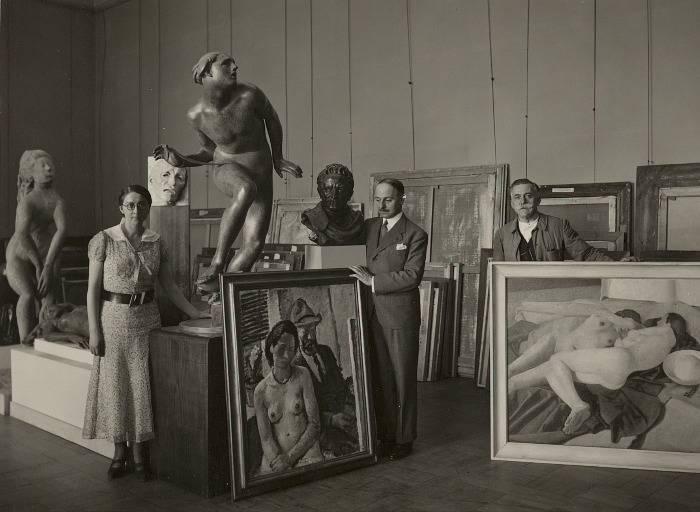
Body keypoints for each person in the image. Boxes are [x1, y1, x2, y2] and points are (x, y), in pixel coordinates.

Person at [83, 184, 208, 482]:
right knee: (116, 385)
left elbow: (170, 286)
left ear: (148, 208)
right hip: (112, 319)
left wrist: (195, 313)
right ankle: (119, 453)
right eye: (130, 205)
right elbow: (92, 290)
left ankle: (139, 454)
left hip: (146, 319)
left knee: (141, 384)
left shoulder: (157, 242)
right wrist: (94, 331)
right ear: (121, 208)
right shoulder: (104, 240)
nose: (135, 210)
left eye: (141, 205)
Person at [153, 52, 302, 292]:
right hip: (227, 169)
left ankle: (224, 291)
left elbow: (272, 120)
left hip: (261, 172)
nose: (235, 67)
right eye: (226, 64)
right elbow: (207, 152)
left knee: (254, 243)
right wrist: (181, 160)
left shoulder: (249, 94)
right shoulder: (196, 116)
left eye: (232, 63)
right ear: (207, 72)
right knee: (245, 188)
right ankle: (218, 262)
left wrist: (278, 157)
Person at [350, 178, 428, 461]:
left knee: (402, 379)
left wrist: (372, 281)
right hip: (372, 313)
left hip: (400, 316)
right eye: (378, 199)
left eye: (388, 199)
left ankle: (404, 439)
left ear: (402, 200)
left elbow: (412, 276)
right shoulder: (369, 226)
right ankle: (385, 436)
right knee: (381, 378)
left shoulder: (415, 234)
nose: (381, 205)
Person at [510, 317, 679, 435]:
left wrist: (631, 331)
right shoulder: (667, 343)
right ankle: (513, 382)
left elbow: (630, 335)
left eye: (661, 320)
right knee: (557, 369)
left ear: (668, 322)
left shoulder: (661, 330)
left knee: (556, 360)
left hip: (620, 358)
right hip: (618, 377)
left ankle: (577, 404)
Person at [5, 150, 67, 341]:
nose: (49, 168)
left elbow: (62, 230)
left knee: (50, 301)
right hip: (20, 256)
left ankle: (44, 341)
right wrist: (39, 265)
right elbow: (22, 234)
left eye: (50, 164)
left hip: (47, 255)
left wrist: (47, 265)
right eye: (43, 165)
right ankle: (25, 342)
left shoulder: (57, 199)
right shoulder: (27, 202)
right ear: (32, 173)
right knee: (27, 295)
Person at [288, 298, 359, 456]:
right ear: (295, 334)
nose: (310, 337)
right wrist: (332, 419)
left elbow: (340, 386)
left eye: (313, 330)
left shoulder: (325, 352)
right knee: (343, 448)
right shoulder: (294, 366)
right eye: (305, 332)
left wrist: (351, 401)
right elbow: (299, 412)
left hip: (343, 414)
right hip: (321, 427)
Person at [253, 320, 323, 474]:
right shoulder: (260, 391)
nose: (286, 355)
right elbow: (266, 439)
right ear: (271, 347)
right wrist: (280, 462)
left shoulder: (303, 375)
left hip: (306, 453)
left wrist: (290, 458)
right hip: (275, 460)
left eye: (291, 349)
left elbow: (315, 425)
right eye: (282, 348)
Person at [493, 178, 616, 262]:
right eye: (517, 197)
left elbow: (586, 254)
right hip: (515, 292)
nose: (522, 201)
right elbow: (496, 271)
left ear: (538, 200)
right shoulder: (502, 234)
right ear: (512, 204)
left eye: (528, 196)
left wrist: (618, 265)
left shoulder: (559, 226)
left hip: (550, 290)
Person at [508, 309, 641, 378]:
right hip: (558, 343)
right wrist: (625, 321)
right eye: (627, 323)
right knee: (551, 337)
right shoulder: (604, 317)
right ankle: (510, 369)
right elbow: (603, 312)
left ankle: (512, 373)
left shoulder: (618, 340)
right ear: (621, 317)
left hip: (568, 359)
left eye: (628, 330)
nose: (626, 329)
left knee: (527, 375)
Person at [300, 163, 365, 246]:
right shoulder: (312, 217)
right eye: (328, 189)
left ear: (349, 193)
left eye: (340, 189)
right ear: (320, 192)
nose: (334, 195)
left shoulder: (356, 221)